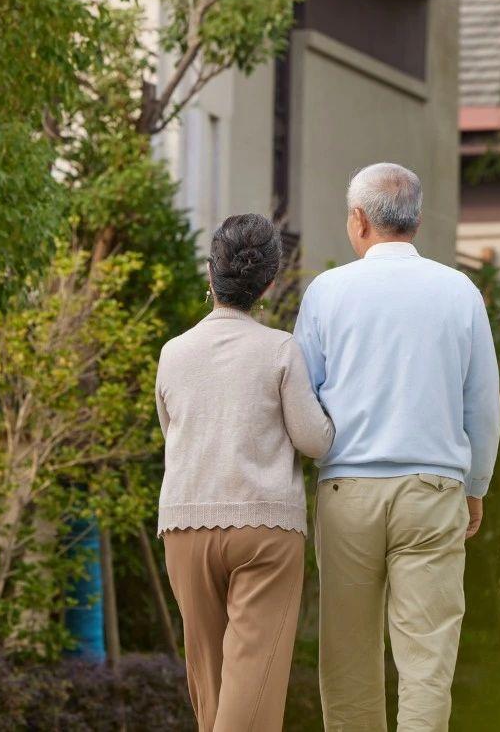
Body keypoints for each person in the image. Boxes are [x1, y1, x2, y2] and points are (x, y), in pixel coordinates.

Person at [294, 162, 500, 732]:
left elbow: (299, 401)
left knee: (349, 657)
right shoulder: (459, 292)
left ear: (359, 220)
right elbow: (481, 404)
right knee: (427, 659)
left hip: (347, 491)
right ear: (416, 220)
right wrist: (476, 487)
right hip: (434, 490)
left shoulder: (326, 292)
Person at [155, 213, 334, 732]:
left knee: (208, 682)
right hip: (265, 527)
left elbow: (175, 434)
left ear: (210, 275)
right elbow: (312, 439)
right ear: (269, 285)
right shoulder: (280, 349)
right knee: (252, 680)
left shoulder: (173, 353)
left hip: (185, 524)